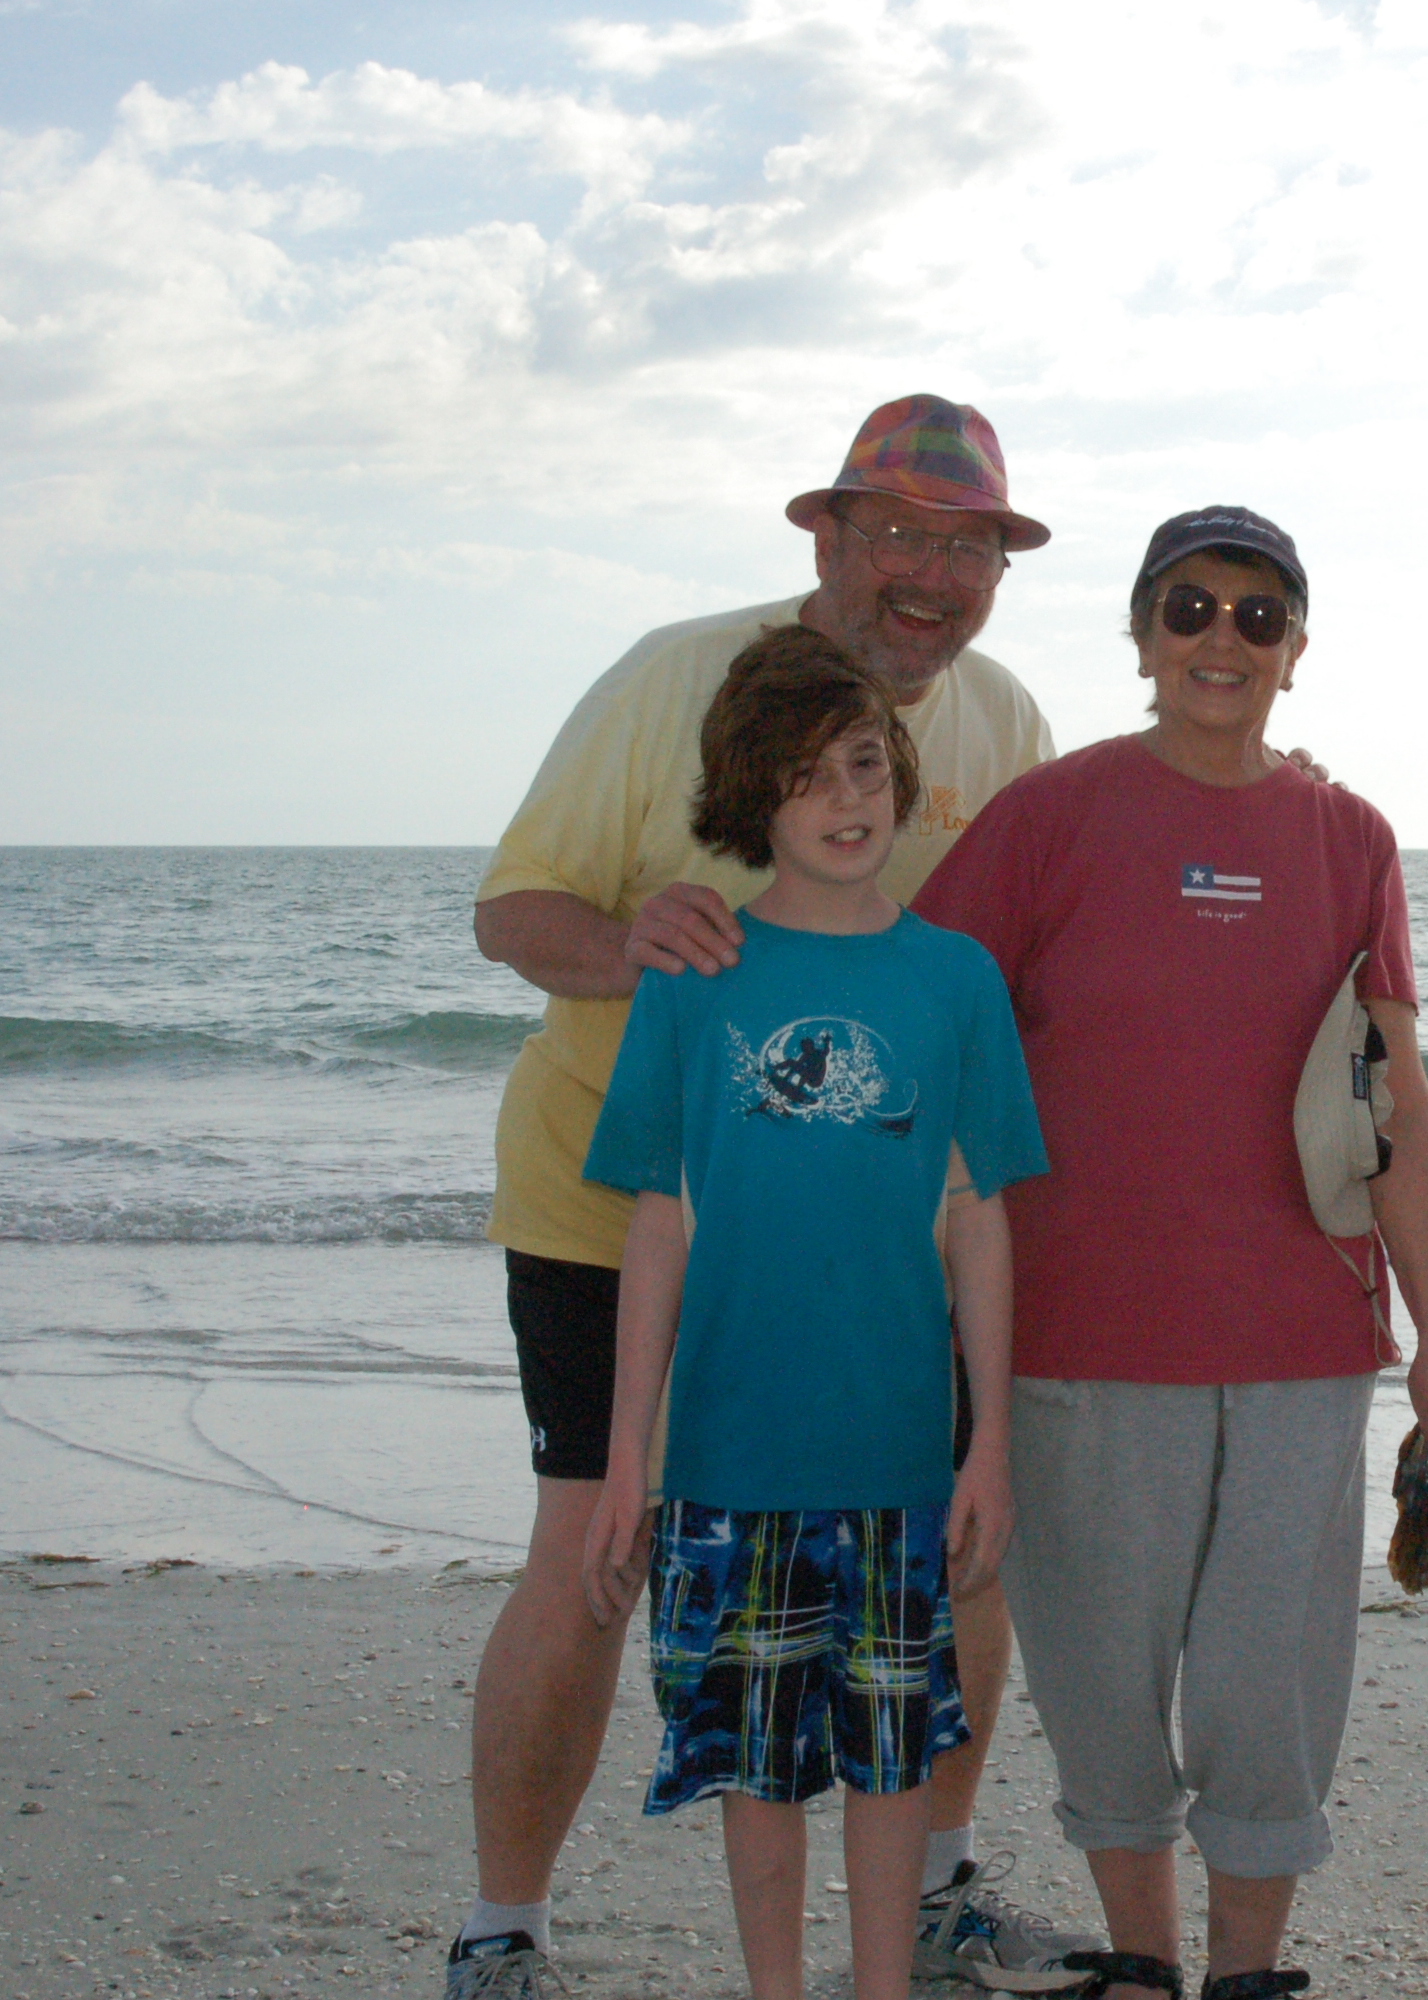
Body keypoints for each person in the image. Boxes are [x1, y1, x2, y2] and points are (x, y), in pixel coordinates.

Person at [457, 394, 1095, 1997]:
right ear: (826, 536)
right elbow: (514, 910)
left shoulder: (1004, 721)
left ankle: (934, 1896)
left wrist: (1258, 781)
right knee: (589, 1555)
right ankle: (502, 1930)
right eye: (897, 535)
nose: (930, 576)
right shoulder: (675, 677)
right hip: (623, 1205)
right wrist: (634, 950)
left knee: (950, 1553)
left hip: (880, 1243)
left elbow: (1060, 928)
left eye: (968, 548)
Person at [914, 505, 1428, 2000]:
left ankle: (1245, 1974)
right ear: (1140, 634)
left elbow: (1398, 1104)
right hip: (1077, 1339)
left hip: (1303, 1339)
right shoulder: (1049, 816)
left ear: (1295, 651)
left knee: (1266, 1689)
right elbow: (923, 1029)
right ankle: (1141, 1964)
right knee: (1100, 1683)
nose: (1220, 638)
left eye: (1257, 615)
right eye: (1188, 608)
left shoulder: (1351, 838)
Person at [570, 627, 1048, 2000]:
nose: (844, 800)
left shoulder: (954, 979)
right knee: (756, 1764)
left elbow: (980, 1215)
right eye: (803, 776)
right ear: (750, 799)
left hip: (896, 1455)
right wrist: (627, 1458)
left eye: (861, 765)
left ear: (896, 773)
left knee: (893, 1760)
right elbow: (657, 1222)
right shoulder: (696, 974)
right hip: (728, 1456)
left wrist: (988, 1443)